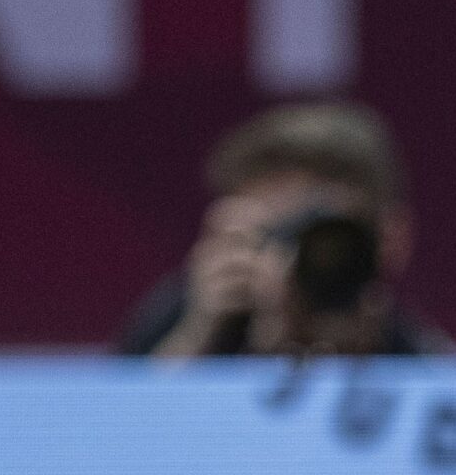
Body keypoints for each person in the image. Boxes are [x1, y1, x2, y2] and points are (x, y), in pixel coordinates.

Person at [114, 100, 439, 359]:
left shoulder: (420, 360)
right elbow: (120, 418)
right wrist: (198, 338)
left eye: (323, 234)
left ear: (390, 239)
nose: (297, 259)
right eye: (276, 233)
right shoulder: (185, 323)